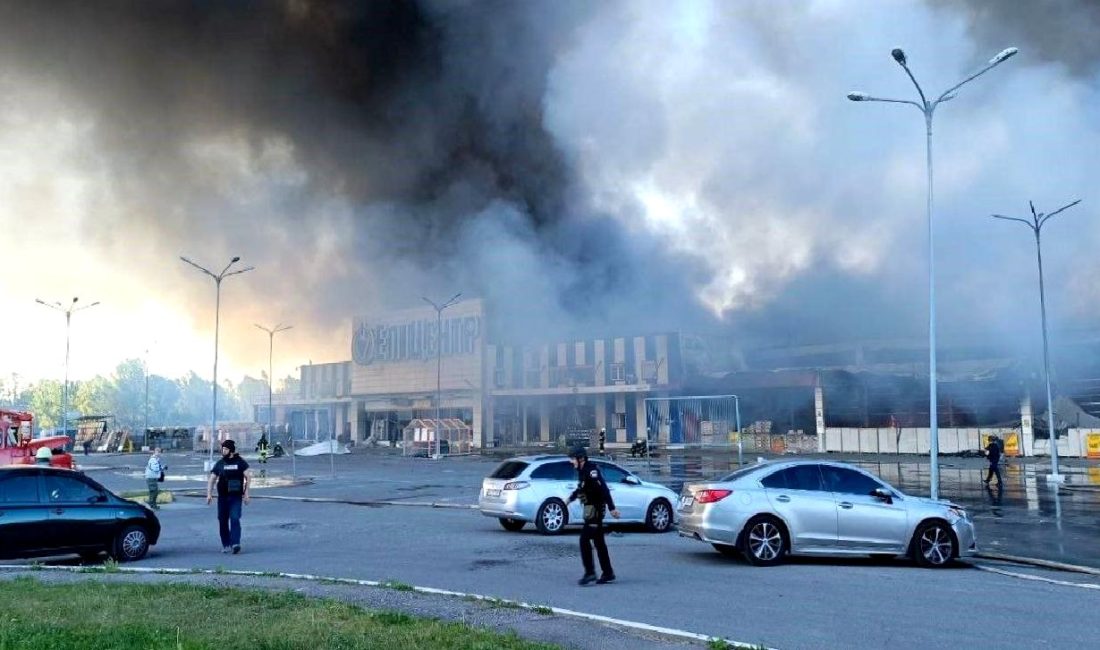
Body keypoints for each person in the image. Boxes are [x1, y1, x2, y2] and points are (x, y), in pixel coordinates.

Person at [566, 447, 620, 585]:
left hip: (595, 511)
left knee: (584, 540)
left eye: (573, 459)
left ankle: (590, 573)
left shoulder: (591, 471)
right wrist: (569, 499)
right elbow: (581, 489)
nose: (571, 462)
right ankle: (608, 573)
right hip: (589, 509)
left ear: (580, 458)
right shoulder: (582, 472)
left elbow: (604, 489)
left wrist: (612, 508)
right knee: (599, 542)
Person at [206, 439, 251, 554]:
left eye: (225, 449)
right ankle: (226, 544)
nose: (223, 450)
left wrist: (246, 493)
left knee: (235, 518)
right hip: (222, 497)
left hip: (235, 497)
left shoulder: (240, 462)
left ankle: (235, 543)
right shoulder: (220, 463)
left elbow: (248, 476)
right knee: (222, 520)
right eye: (222, 448)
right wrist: (209, 494)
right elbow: (212, 479)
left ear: (231, 450)